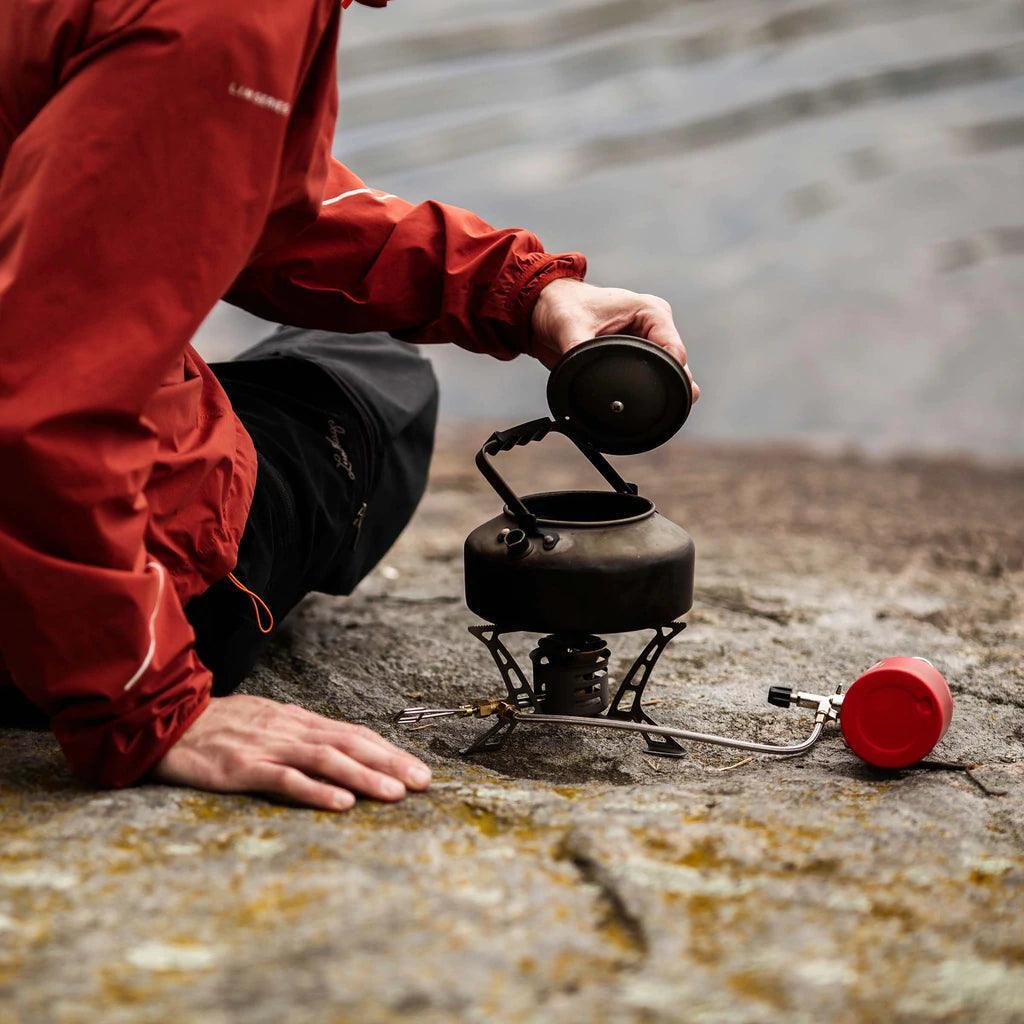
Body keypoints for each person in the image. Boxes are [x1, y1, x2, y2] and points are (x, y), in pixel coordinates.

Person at [0, 0, 697, 811]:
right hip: (73, 607)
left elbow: (250, 198)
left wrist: (520, 293)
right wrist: (149, 704)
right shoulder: (229, 17)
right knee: (374, 381)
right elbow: (48, 401)